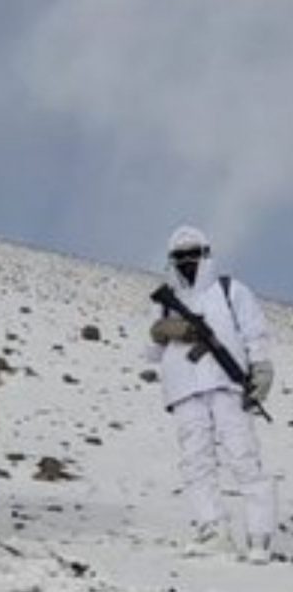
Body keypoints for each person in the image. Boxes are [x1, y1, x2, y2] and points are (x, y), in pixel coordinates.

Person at [146, 225, 276, 563]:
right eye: (180, 256)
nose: (188, 261)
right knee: (196, 463)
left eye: (194, 254)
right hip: (185, 389)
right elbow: (151, 350)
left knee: (244, 458)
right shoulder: (166, 302)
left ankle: (259, 535)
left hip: (225, 384)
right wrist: (166, 329)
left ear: (206, 254)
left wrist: (260, 369)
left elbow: (254, 334)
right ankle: (212, 530)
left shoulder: (231, 291)